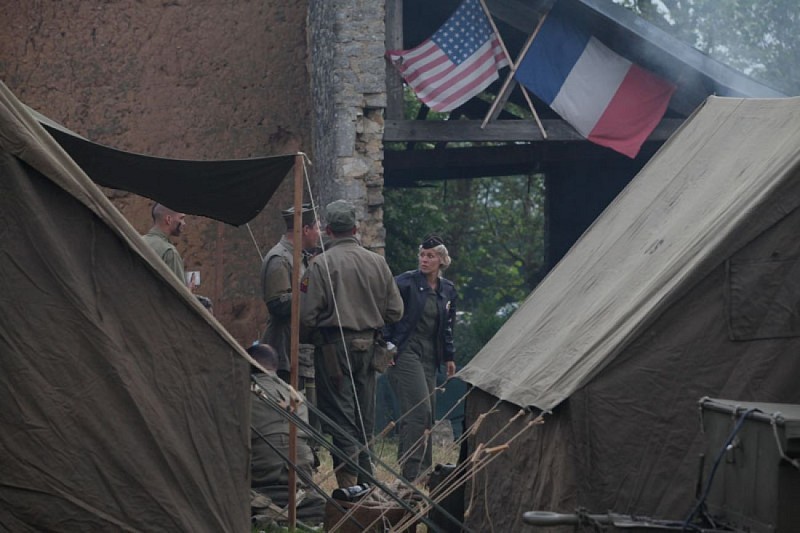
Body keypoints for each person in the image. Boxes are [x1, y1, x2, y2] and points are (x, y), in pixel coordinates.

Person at [300, 199, 404, 489]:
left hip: (333, 350)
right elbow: (396, 311)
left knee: (341, 422)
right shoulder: (377, 262)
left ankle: (350, 490)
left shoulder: (320, 264)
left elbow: (307, 315)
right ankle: (367, 486)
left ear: (329, 230)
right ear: (356, 228)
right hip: (370, 348)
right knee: (363, 420)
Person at [384, 234, 458, 483]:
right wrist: (386, 345)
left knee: (428, 415)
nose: (424, 260)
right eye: (422, 255)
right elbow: (384, 312)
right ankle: (410, 472)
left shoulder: (447, 289)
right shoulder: (404, 283)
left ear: (441, 260)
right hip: (405, 351)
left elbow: (447, 326)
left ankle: (424, 474)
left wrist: (449, 356)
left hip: (430, 356)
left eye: (430, 256)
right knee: (418, 411)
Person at [247, 343, 325, 526]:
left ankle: (265, 512)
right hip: (300, 475)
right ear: (274, 366)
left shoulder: (242, 392)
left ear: (249, 363)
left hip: (261, 473)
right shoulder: (296, 395)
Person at [260, 204, 320, 389]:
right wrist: (314, 293)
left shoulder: (297, 257)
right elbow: (278, 304)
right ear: (305, 229)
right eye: (317, 227)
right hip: (284, 348)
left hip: (297, 348)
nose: (320, 232)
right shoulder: (279, 259)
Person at [141, 203, 189, 285]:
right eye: (181, 218)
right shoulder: (169, 252)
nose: (184, 223)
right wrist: (189, 292)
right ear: (168, 219)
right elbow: (178, 293)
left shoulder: (139, 241)